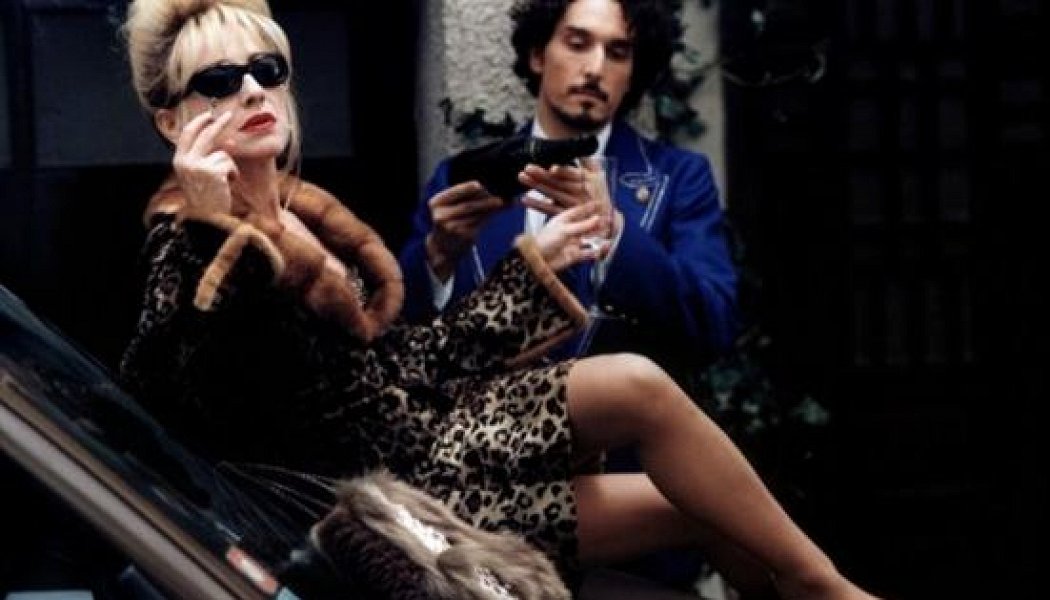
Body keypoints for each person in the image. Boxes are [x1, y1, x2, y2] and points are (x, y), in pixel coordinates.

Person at [117, 0, 878, 597]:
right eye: (218, 80)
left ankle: (822, 590)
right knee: (650, 417)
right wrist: (209, 231)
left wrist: (538, 268)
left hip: (442, 446)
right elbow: (164, 387)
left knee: (670, 443)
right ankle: (830, 591)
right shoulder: (185, 240)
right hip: (400, 501)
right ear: (171, 119)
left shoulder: (305, 217)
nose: (252, 88)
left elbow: (402, 362)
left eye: (267, 68)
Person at [399, 0, 738, 383]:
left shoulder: (678, 177)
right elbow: (398, 339)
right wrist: (438, 259)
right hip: (483, 416)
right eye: (578, 44)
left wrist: (617, 236)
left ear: (632, 74)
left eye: (617, 53)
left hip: (619, 419)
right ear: (538, 56)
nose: (595, 68)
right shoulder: (463, 177)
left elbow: (716, 326)